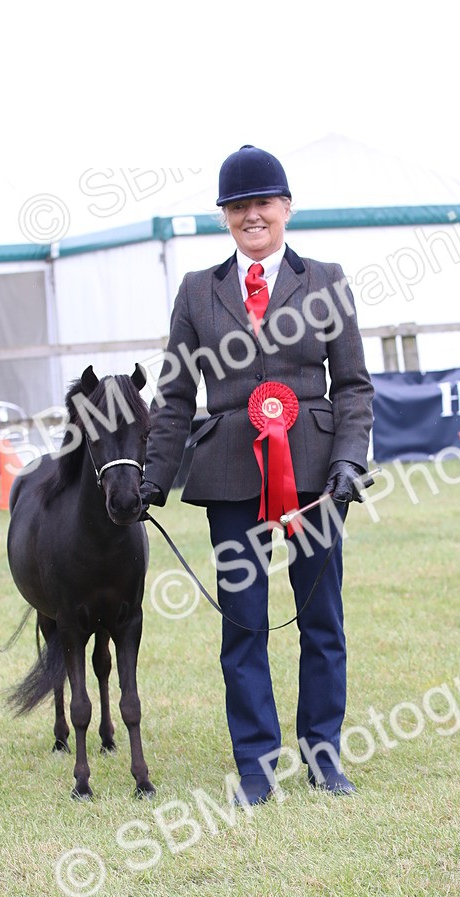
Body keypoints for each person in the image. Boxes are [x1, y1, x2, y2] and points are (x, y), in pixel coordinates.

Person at [139, 145, 374, 805]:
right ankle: (255, 768)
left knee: (321, 618)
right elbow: (176, 394)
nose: (251, 215)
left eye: (262, 203)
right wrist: (153, 476)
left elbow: (353, 385)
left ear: (286, 208)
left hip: (315, 473)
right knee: (242, 621)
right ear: (224, 216)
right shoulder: (197, 291)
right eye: (238, 206)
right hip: (228, 474)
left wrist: (350, 460)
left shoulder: (326, 279)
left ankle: (324, 756)